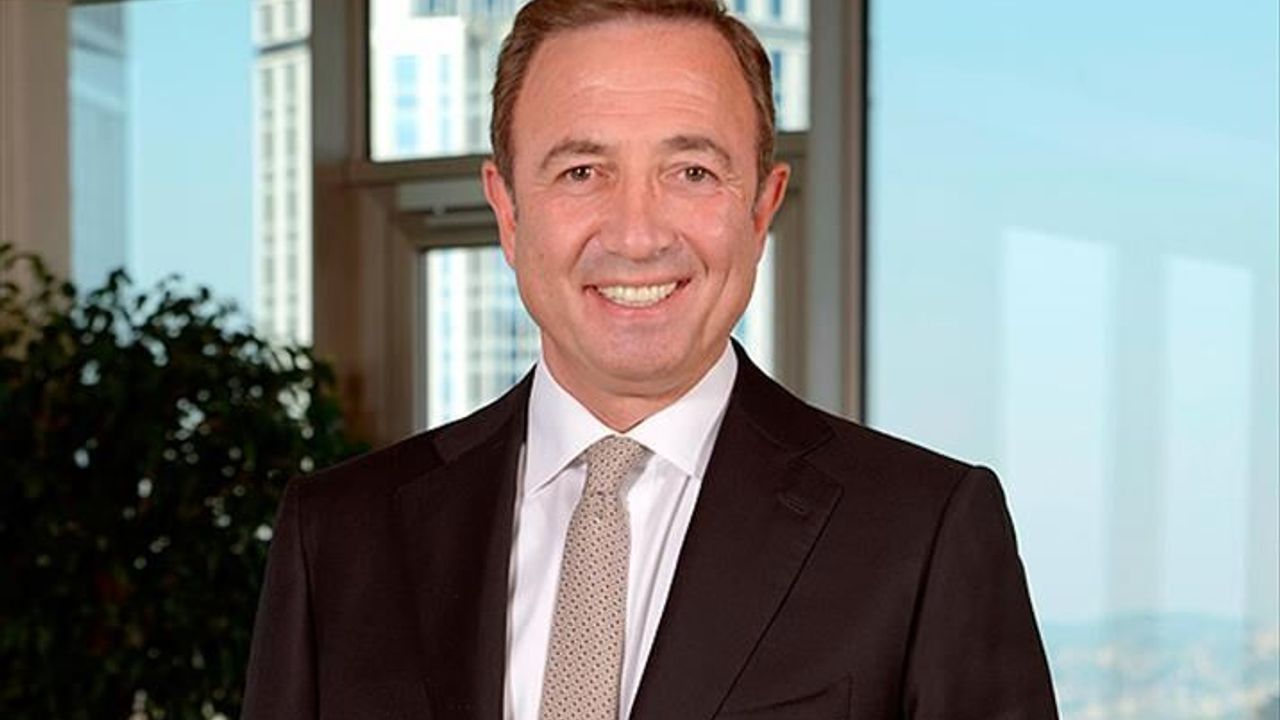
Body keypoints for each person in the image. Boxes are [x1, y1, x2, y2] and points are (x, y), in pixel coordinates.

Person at [242, 0, 1058, 718]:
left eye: (692, 171)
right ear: (508, 211)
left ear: (761, 208)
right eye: (582, 171)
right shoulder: (338, 538)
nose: (637, 235)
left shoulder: (922, 535)